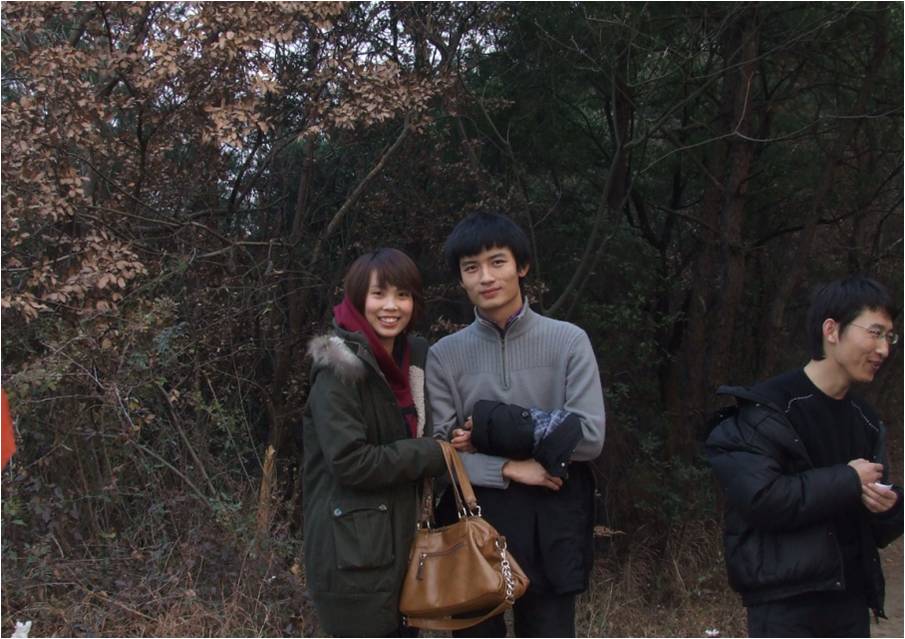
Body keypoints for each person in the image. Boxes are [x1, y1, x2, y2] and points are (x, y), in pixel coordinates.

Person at [426, 212, 606, 637]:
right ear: (461, 280)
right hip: (474, 521)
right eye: (471, 268)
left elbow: (588, 438)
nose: (486, 277)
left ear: (521, 266)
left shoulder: (568, 341)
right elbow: (439, 455)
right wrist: (511, 467)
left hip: (553, 518)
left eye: (497, 262)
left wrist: (485, 434)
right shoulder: (444, 355)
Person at [705, 276, 903, 638]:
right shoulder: (767, 409)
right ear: (832, 330)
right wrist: (847, 480)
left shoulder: (866, 420)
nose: (883, 349)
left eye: (890, 337)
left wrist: (889, 508)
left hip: (851, 601)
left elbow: (877, 528)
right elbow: (762, 499)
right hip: (785, 603)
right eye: (875, 333)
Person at [302, 248, 447, 637]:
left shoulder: (413, 358)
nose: (391, 306)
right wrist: (433, 453)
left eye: (403, 295)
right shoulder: (337, 366)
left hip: (404, 547)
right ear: (357, 298)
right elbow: (351, 462)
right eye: (378, 294)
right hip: (352, 556)